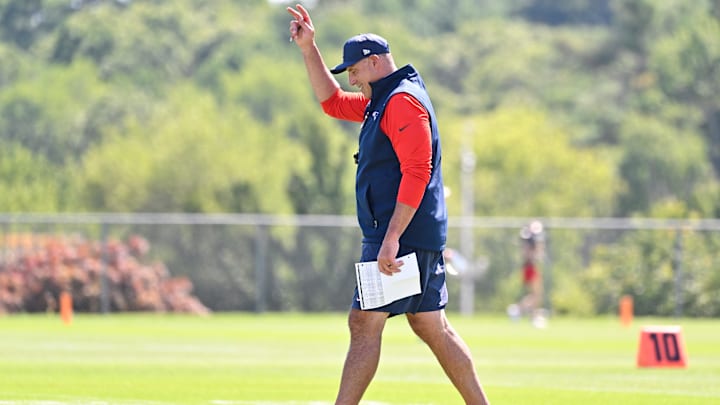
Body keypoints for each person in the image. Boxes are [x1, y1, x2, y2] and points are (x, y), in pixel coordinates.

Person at [287, 5, 490, 404]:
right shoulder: (383, 99)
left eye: (355, 70)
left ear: (376, 62)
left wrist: (392, 237)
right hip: (410, 233)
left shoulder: (400, 102)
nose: (352, 77)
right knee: (432, 327)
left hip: (401, 235)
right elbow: (331, 102)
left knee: (364, 323)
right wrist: (309, 49)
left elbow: (417, 171)